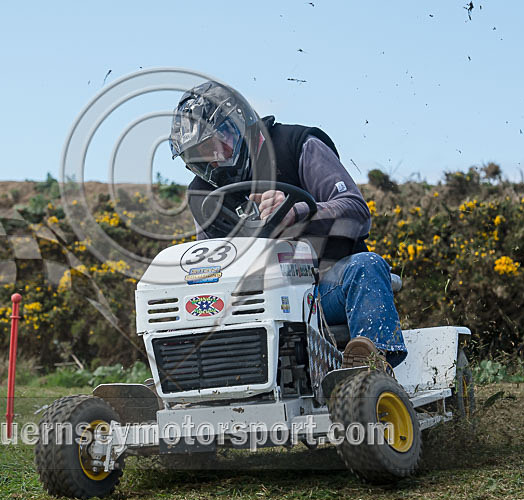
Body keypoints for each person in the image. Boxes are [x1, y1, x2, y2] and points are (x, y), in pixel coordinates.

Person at [169, 81, 407, 369]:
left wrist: (298, 211)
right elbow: (210, 262)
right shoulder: (202, 195)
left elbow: (356, 210)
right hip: (256, 301)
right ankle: (189, 379)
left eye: (216, 146)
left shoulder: (297, 144)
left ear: (239, 126)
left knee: (367, 265)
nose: (213, 161)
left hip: (323, 287)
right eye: (200, 155)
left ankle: (372, 367)